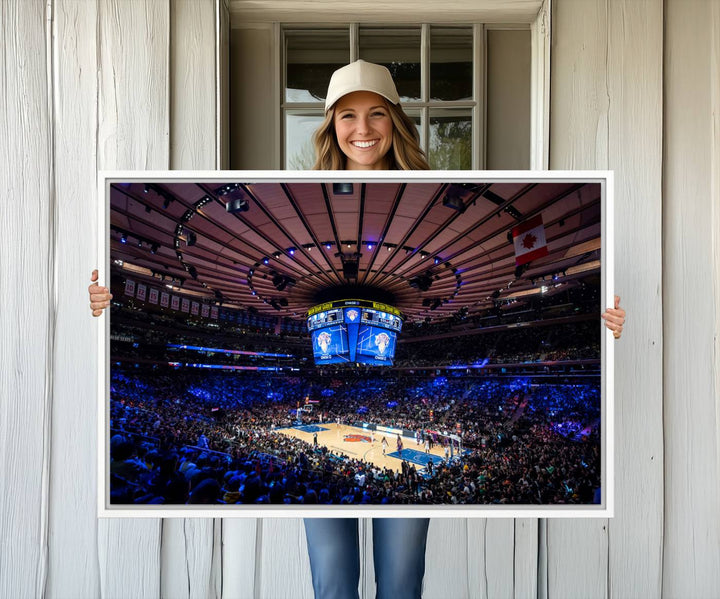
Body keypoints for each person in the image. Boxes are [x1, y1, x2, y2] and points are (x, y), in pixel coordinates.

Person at [88, 59, 627, 599]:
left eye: (376, 114)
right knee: (333, 584)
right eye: (347, 116)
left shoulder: (436, 185)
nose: (362, 129)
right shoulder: (295, 188)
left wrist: (606, 324)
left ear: (395, 120)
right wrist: (104, 305)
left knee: (400, 582)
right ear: (330, 126)